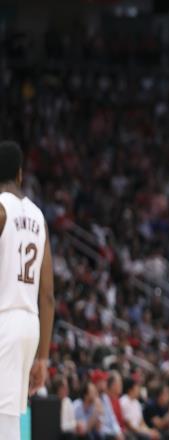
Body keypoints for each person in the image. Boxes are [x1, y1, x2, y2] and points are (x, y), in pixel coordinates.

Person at [0, 140, 55, 439]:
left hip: (5, 319)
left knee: (4, 422)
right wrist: (43, 358)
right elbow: (48, 295)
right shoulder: (38, 216)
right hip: (29, 326)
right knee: (10, 416)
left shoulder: (1, 208)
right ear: (20, 174)